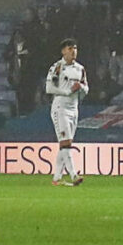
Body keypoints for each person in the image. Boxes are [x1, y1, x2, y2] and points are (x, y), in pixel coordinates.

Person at [43, 41, 88, 186]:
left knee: (65, 145)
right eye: (70, 48)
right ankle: (74, 174)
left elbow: (86, 90)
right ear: (63, 51)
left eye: (75, 48)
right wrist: (67, 91)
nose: (74, 51)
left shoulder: (80, 69)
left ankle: (56, 178)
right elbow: (49, 88)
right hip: (60, 107)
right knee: (66, 143)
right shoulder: (57, 67)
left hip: (74, 108)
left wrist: (80, 86)